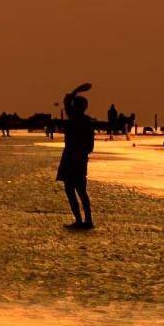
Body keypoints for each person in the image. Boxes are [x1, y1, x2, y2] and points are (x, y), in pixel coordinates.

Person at [57, 91, 95, 229]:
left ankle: (82, 220)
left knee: (74, 190)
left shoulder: (76, 119)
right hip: (77, 158)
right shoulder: (86, 121)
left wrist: (78, 89)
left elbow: (67, 100)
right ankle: (85, 220)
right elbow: (90, 146)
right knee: (77, 190)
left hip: (72, 158)